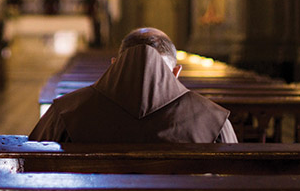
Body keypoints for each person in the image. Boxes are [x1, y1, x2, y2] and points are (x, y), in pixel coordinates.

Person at [29, 27, 238, 143]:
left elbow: (30, 168)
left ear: (114, 65)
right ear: (176, 73)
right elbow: (235, 182)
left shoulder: (66, 111)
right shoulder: (213, 119)